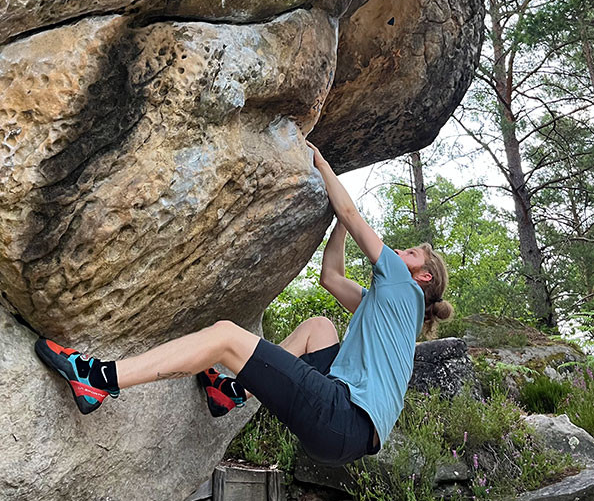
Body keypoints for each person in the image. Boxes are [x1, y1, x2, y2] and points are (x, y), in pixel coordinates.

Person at [34, 142, 453, 466]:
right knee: (320, 327)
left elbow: (354, 216)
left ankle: (99, 379)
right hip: (348, 438)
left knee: (225, 338)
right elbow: (331, 278)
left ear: (424, 276)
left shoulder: (404, 286)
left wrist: (325, 166)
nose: (402, 252)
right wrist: (339, 224)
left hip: (342, 416)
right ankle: (231, 393)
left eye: (413, 253)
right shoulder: (390, 311)